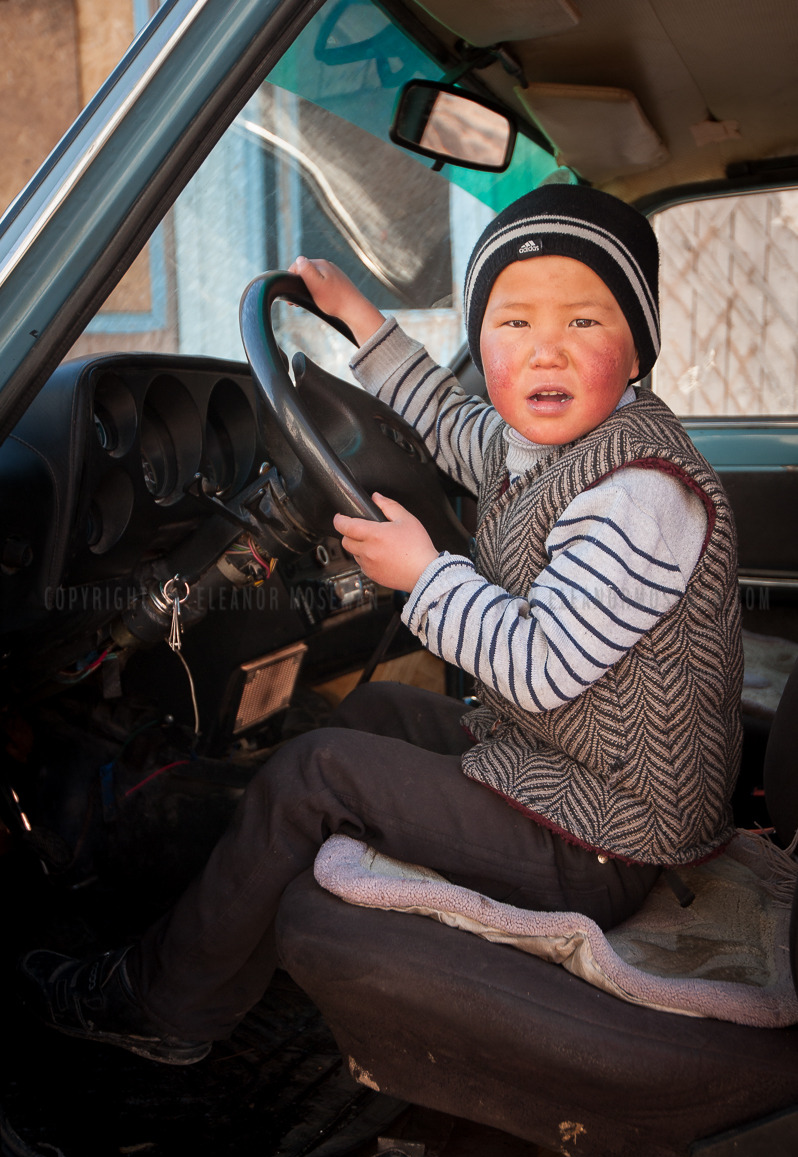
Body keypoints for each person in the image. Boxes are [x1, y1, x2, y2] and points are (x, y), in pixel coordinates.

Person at [20, 186, 742, 1066]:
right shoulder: (550, 448)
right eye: (511, 324)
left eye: (585, 322)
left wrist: (424, 577)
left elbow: (547, 668)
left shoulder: (639, 495)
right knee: (370, 722)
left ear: (638, 350)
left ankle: (166, 1005)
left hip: (605, 841)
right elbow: (444, 423)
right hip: (572, 773)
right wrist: (361, 319)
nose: (544, 348)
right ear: (483, 340)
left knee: (315, 770)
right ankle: (241, 922)